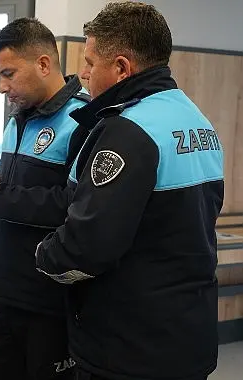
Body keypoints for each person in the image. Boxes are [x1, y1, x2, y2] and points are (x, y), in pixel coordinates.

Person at [35, 3, 224, 380]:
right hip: (188, 334)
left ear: (121, 68)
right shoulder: (196, 120)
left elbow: (87, 248)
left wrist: (43, 255)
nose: (83, 74)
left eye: (89, 63)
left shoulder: (128, 131)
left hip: (129, 348)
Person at [0, 18, 90, 379]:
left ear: (44, 64)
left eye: (9, 74)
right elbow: (18, 183)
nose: (2, 86)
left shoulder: (82, 121)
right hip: (6, 294)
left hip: (51, 302)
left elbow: (76, 206)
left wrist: (2, 198)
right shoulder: (18, 120)